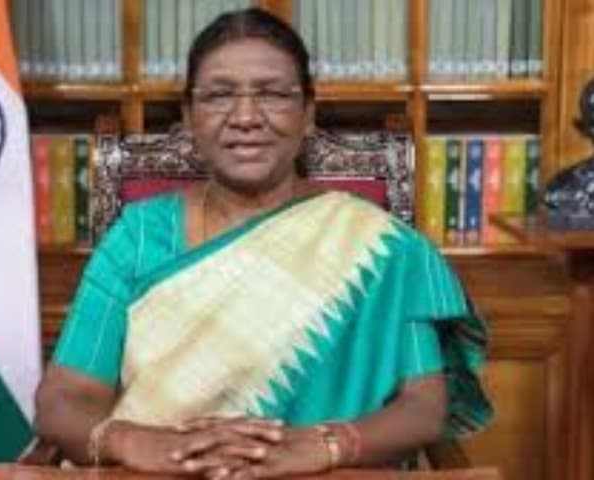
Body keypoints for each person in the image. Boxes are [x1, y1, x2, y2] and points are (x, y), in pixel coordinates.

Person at [33, 8, 492, 479]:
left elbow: (423, 406)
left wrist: (325, 445)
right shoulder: (139, 236)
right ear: (189, 118)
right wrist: (138, 443)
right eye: (219, 95)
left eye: (272, 94)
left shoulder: (380, 247)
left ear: (308, 114)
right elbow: (64, 397)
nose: (246, 117)